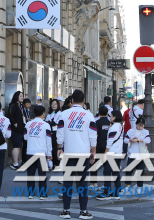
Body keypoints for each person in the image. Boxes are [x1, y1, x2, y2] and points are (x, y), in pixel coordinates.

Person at [57, 89, 97, 220]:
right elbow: (93, 135)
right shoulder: (89, 115)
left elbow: (60, 133)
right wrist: (93, 150)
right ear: (84, 101)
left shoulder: (64, 114)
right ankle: (83, 211)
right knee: (82, 183)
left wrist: (59, 147)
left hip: (68, 152)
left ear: (72, 100)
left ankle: (66, 211)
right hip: (83, 153)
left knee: (67, 182)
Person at [24, 105, 52, 199]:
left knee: (30, 174)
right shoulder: (46, 125)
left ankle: (31, 193)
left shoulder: (28, 124)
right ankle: (43, 194)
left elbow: (25, 137)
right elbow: (49, 141)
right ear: (43, 114)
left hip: (30, 151)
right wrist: (49, 154)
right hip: (41, 152)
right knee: (42, 174)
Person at [97, 110, 124, 200]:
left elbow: (109, 142)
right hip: (118, 152)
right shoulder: (120, 126)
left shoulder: (113, 128)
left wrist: (105, 153)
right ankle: (116, 192)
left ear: (115, 117)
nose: (110, 118)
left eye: (111, 116)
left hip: (111, 153)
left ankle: (107, 192)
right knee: (116, 172)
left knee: (107, 172)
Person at [124, 116, 150, 189]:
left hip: (141, 155)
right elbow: (125, 140)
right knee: (129, 171)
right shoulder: (131, 131)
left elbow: (148, 140)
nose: (140, 127)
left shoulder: (145, 131)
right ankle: (128, 186)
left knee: (140, 171)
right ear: (136, 124)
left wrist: (139, 140)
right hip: (132, 154)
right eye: (139, 125)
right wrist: (131, 140)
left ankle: (139, 187)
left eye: (141, 126)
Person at [8, 91, 25, 169]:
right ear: (16, 97)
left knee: (18, 146)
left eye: (22, 96)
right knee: (17, 146)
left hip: (21, 129)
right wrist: (15, 123)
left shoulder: (21, 106)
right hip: (15, 129)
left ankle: (14, 162)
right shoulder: (13, 105)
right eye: (20, 96)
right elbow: (10, 115)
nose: (22, 97)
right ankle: (15, 163)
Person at [46, 99, 61, 168]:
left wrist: (49, 123)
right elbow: (46, 122)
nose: (53, 105)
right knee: (49, 147)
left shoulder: (59, 113)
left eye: (55, 104)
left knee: (55, 148)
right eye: (52, 104)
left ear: (58, 105)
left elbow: (55, 123)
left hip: (56, 132)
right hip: (49, 132)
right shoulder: (49, 113)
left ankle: (56, 163)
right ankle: (50, 162)